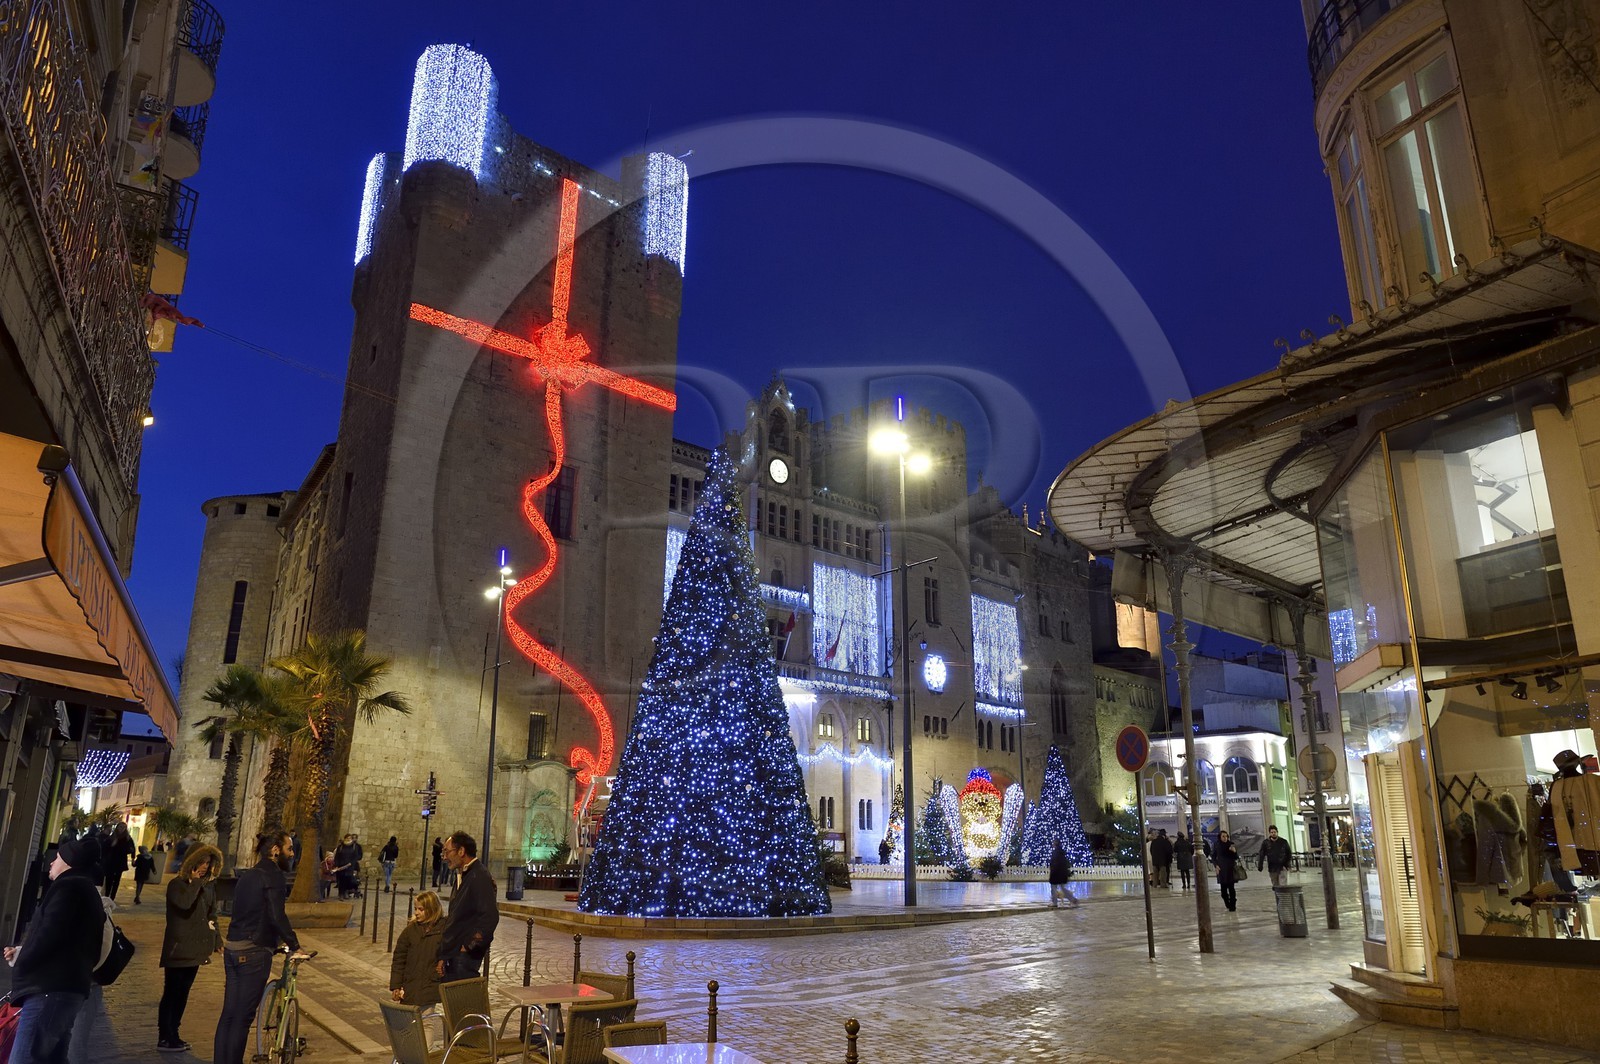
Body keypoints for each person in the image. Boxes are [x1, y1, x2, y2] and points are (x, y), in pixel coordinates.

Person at [4, 836, 105, 1063]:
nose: (52, 862)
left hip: (49, 991)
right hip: (66, 990)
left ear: (69, 862)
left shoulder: (69, 888)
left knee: (24, 1058)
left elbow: (48, 935)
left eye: (57, 858)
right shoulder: (84, 888)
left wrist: (22, 963)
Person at [214, 831, 304, 1064]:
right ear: (275, 850)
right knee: (242, 1018)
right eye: (289, 848)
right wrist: (294, 945)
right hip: (253, 951)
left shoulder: (250, 874)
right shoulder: (272, 875)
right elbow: (276, 914)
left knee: (229, 1015)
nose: (292, 854)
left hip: (233, 947)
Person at [159, 843, 222, 1053]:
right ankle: (165, 1036)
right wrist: (195, 883)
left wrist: (217, 940)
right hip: (178, 949)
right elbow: (184, 904)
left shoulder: (206, 887)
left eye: (208, 863)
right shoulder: (177, 885)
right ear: (191, 862)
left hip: (195, 950)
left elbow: (211, 916)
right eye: (201, 862)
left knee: (183, 993)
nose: (204, 867)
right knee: (172, 992)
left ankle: (174, 1033)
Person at [435, 831, 496, 979]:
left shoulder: (479, 876)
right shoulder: (463, 874)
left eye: (447, 851)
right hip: (454, 954)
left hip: (464, 958)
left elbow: (489, 918)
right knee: (453, 1000)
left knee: (463, 1000)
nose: (444, 857)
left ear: (461, 851)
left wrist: (468, 947)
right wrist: (445, 953)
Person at [390, 891, 445, 1008]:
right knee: (410, 1022)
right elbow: (399, 959)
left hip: (430, 986)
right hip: (410, 985)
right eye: (415, 909)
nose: (416, 912)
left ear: (432, 909)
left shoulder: (443, 929)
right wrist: (396, 985)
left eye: (421, 909)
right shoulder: (410, 931)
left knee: (426, 1021)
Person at [102, 822, 136, 900]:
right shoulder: (112, 837)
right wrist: (112, 845)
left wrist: (133, 857)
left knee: (117, 879)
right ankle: (107, 895)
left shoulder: (127, 838)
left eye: (124, 827)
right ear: (117, 827)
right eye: (120, 827)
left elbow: (132, 848)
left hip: (120, 860)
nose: (121, 829)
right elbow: (105, 848)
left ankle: (112, 897)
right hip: (111, 860)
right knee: (109, 879)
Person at [1214, 829, 1241, 912]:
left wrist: (1234, 852)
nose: (1225, 838)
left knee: (1231, 888)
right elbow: (1213, 856)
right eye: (1223, 836)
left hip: (1230, 868)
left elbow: (1236, 857)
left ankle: (1233, 905)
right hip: (1221, 869)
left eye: (1226, 836)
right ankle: (1227, 902)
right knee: (1223, 891)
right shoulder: (1217, 845)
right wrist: (1216, 865)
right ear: (1220, 837)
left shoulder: (1231, 844)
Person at [1047, 841, 1077, 908]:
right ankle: (1073, 900)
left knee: (1053, 888)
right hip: (1062, 874)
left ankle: (1054, 902)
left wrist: (1052, 871)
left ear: (1055, 844)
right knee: (1063, 889)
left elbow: (1054, 863)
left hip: (1056, 874)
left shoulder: (1055, 853)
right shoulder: (1061, 853)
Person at [334, 833, 362, 899]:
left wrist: (352, 864)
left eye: (349, 838)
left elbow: (355, 857)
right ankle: (340, 893)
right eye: (347, 838)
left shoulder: (354, 847)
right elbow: (337, 856)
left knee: (348, 879)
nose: (348, 839)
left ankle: (346, 892)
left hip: (349, 866)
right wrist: (337, 864)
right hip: (341, 866)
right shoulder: (340, 847)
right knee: (341, 880)